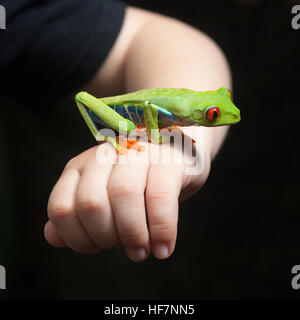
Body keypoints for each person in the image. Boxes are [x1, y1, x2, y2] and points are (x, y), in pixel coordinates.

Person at [1, 0, 232, 262]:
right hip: (124, 115)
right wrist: (150, 138)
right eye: (213, 115)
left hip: (161, 112)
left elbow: (144, 39)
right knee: (119, 120)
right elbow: (143, 106)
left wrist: (195, 143)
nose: (226, 115)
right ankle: (104, 134)